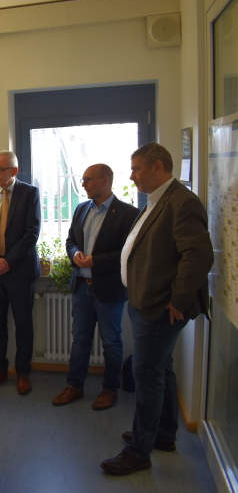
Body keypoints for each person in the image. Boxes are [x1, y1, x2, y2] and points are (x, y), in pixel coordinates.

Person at [101, 143, 213, 475]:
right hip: (146, 301)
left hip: (161, 307)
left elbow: (199, 256)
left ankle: (139, 451)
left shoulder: (182, 203)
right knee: (161, 369)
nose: (132, 175)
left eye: (136, 168)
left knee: (147, 374)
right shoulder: (158, 200)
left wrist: (177, 300)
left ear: (158, 167)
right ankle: (163, 434)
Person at [51, 164, 139, 410]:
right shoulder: (81, 209)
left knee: (111, 342)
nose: (83, 184)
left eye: (88, 179)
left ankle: (110, 390)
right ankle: (74, 386)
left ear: (105, 181)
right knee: (79, 340)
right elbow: (70, 241)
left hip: (109, 290)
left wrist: (96, 261)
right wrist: (75, 253)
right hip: (81, 287)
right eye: (83, 179)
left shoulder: (127, 213)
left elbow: (127, 253)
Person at [0, 150, 41, 395]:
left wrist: (7, 261)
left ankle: (23, 373)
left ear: (13, 171)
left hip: (20, 272)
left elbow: (31, 233)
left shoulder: (30, 193)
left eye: (0, 169)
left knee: (24, 325)